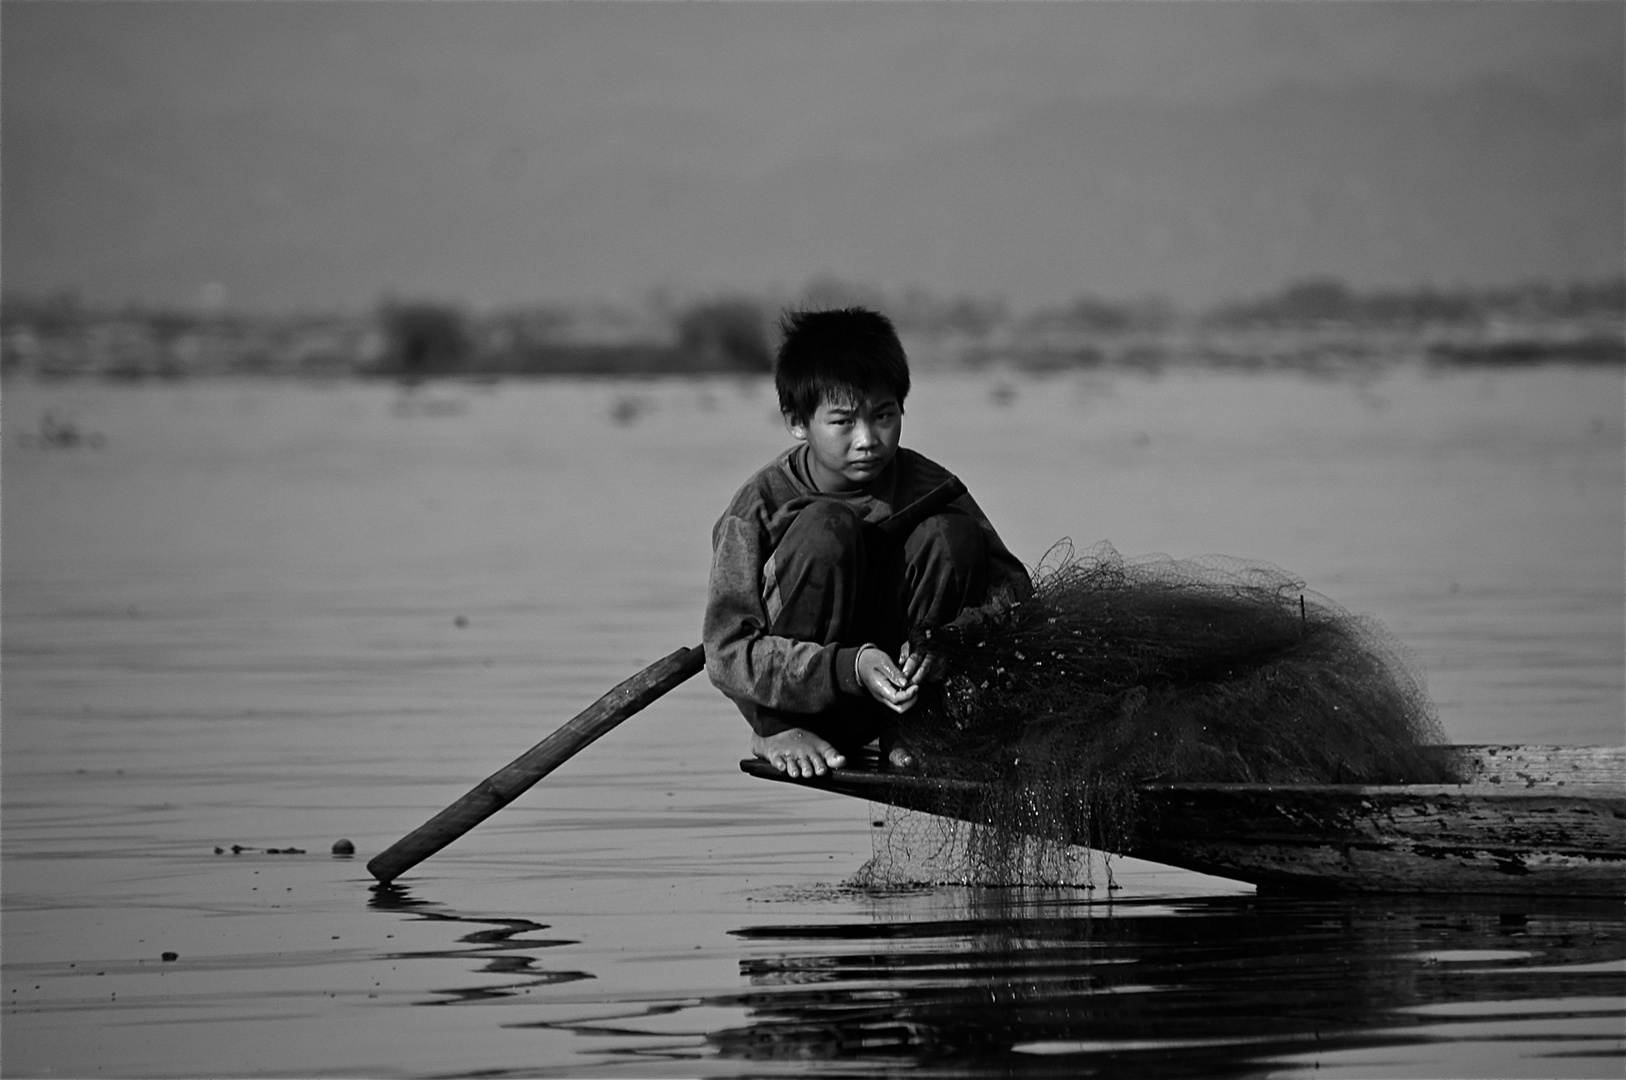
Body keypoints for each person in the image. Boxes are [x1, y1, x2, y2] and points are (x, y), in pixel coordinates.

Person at [702, 306, 1031, 778]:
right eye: (843, 422)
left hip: (901, 694)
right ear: (798, 422)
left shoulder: (932, 487)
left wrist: (947, 642)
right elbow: (727, 654)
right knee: (826, 529)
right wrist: (850, 667)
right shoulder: (759, 506)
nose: (867, 440)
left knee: (951, 534)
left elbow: (1016, 593)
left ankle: (915, 726)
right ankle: (776, 729)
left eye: (883, 416)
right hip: (800, 700)